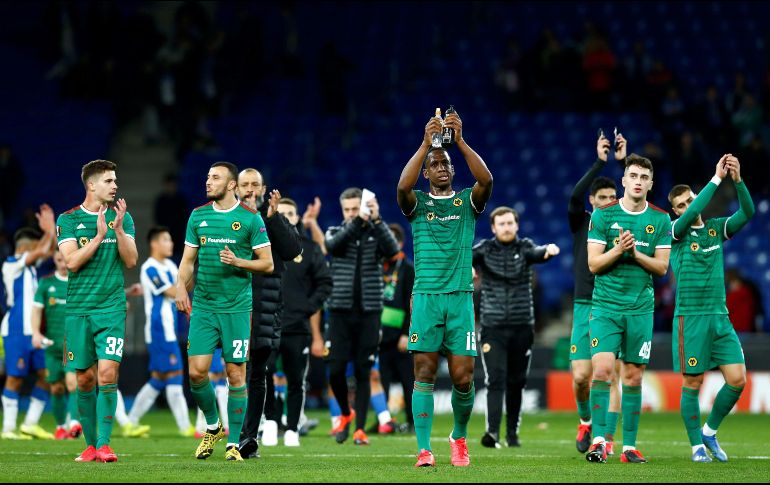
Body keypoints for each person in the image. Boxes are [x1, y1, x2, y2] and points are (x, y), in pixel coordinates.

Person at [396, 109, 493, 467]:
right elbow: (402, 187)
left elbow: (487, 180)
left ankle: (458, 437)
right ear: (426, 172)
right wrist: (426, 145)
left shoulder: (467, 202)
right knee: (423, 372)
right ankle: (424, 449)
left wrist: (460, 142)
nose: (440, 168)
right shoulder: (417, 204)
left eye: (445, 163)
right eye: (434, 164)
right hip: (426, 299)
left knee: (463, 377)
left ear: (452, 170)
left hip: (460, 300)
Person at [176, 161, 274, 462]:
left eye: (215, 178)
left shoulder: (250, 218)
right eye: (208, 177)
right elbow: (188, 261)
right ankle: (213, 426)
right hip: (204, 306)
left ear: (231, 185)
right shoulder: (198, 215)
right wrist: (180, 286)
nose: (208, 182)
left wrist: (238, 262)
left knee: (235, 374)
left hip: (236, 309)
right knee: (196, 373)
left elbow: (267, 263)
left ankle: (233, 443)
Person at [585, 153, 671, 464]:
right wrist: (619, 249)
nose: (638, 182)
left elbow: (661, 268)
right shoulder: (603, 216)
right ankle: (598, 441)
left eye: (643, 178)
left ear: (650, 184)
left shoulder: (660, 219)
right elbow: (594, 264)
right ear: (623, 180)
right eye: (633, 176)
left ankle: (629, 447)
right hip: (606, 307)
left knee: (633, 377)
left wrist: (634, 254)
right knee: (603, 371)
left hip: (640, 309)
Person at [667, 154, 754, 463]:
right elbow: (692, 213)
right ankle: (696, 447)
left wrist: (737, 180)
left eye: (690, 199)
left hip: (720, 317)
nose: (688, 206)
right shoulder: (675, 232)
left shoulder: (716, 228)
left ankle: (709, 432)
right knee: (693, 383)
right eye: (681, 205)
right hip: (690, 318)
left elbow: (748, 211)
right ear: (676, 211)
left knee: (737, 379)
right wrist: (717, 178)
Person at [57, 159, 139, 462]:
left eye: (115, 180)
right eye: (108, 181)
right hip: (79, 310)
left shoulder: (123, 218)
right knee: (84, 380)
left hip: (111, 308)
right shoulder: (68, 219)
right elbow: (72, 262)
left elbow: (131, 261)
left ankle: (104, 444)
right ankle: (91, 446)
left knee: (107, 373)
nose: (115, 185)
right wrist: (99, 236)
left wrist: (118, 230)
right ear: (91, 185)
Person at [473, 206, 560, 449]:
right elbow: (462, 259)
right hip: (492, 327)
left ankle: (512, 434)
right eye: (501, 224)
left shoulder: (524, 248)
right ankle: (492, 432)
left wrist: (548, 251)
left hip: (522, 326)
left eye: (510, 223)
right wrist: (467, 267)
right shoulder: (484, 250)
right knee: (495, 378)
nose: (506, 227)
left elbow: (538, 253)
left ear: (517, 225)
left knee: (517, 381)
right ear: (493, 228)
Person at [233, 168, 301, 459]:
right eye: (245, 184)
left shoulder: (271, 217)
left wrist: (274, 218)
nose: (250, 189)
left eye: (255, 184)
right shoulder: (226, 217)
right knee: (235, 371)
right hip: (232, 305)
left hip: (265, 306)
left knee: (257, 372)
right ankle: (231, 432)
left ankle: (248, 437)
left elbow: (292, 250)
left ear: (263, 189)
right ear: (236, 188)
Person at [324, 187, 399, 445]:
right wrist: (358, 221)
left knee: (363, 370)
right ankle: (346, 413)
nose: (352, 214)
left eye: (356, 209)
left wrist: (377, 220)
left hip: (369, 312)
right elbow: (332, 246)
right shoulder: (334, 232)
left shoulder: (375, 232)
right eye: (347, 210)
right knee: (335, 370)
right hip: (339, 312)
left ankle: (359, 429)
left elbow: (393, 251)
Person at [567, 133, 623, 456]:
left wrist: (624, 162)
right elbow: (575, 196)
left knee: (610, 375)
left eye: (613, 197)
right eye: (602, 197)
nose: (609, 202)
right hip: (584, 304)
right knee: (580, 377)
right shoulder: (583, 222)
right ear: (593, 201)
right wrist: (600, 163)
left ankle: (607, 437)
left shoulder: (624, 225)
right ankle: (586, 421)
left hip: (613, 304)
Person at [274, 197, 332, 447]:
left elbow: (324, 281)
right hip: (267, 324)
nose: (286, 218)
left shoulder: (307, 249)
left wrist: (306, 309)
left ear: (296, 218)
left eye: (290, 213)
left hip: (297, 326)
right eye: (280, 213)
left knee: (296, 379)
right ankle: (269, 423)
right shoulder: (263, 247)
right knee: (265, 376)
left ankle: (292, 426)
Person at [126, 226, 194, 437]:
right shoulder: (150, 268)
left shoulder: (171, 266)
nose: (170, 243)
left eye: (170, 240)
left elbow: (186, 286)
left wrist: (191, 267)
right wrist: (184, 284)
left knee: (158, 378)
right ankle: (186, 428)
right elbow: (173, 291)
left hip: (168, 328)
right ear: (154, 243)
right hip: (159, 330)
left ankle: (131, 422)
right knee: (175, 373)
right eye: (166, 239)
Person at [2, 208, 57, 441]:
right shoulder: (11, 264)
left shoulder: (31, 269)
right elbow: (43, 250)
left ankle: (30, 424)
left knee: (48, 375)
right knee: (15, 378)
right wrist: (49, 229)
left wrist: (50, 233)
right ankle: (8, 428)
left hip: (33, 332)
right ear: (25, 248)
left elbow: (50, 250)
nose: (39, 252)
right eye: (34, 247)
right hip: (16, 330)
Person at [31, 249, 82, 440]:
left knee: (72, 384)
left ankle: (75, 424)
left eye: (65, 259)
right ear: (54, 260)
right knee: (56, 388)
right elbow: (36, 311)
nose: (63, 263)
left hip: (74, 344)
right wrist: (36, 333)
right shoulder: (46, 283)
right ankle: (61, 427)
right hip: (52, 346)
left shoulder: (80, 281)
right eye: (59, 260)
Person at [377, 222, 415, 433]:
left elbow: (412, 304)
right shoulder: (377, 266)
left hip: (401, 337)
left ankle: (413, 422)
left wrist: (406, 333)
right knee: (379, 382)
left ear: (400, 244)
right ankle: (384, 421)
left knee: (408, 381)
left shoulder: (407, 269)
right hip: (380, 337)